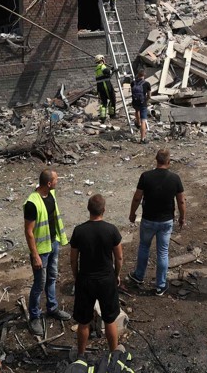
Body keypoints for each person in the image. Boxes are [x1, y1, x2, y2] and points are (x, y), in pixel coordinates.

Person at [70, 195, 122, 358]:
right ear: (104, 210)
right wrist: (116, 275)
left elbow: (73, 258)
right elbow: (119, 257)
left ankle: (81, 354)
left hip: (86, 279)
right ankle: (113, 354)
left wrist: (76, 276)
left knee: (84, 321)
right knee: (110, 319)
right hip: (106, 279)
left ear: (88, 209)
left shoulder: (79, 231)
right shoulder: (111, 230)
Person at [127, 148, 185, 295]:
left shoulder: (146, 176)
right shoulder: (175, 178)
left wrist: (132, 213)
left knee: (144, 247)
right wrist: (182, 217)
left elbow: (137, 197)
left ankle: (139, 276)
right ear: (169, 162)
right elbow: (181, 201)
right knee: (163, 252)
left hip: (148, 219)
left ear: (156, 160)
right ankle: (160, 285)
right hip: (166, 221)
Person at [23, 169, 70, 337]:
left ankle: (52, 308)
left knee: (52, 277)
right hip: (41, 251)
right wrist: (35, 255)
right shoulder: (32, 203)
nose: (58, 181)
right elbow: (29, 232)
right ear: (49, 183)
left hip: (53, 243)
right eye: (56, 179)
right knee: (39, 284)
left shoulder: (51, 194)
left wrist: (58, 240)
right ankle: (34, 317)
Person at [130, 69, 151, 143]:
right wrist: (146, 100)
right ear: (144, 75)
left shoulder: (133, 83)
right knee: (143, 121)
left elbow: (132, 92)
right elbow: (149, 95)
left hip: (135, 102)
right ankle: (143, 139)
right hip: (143, 103)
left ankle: (138, 123)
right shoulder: (147, 84)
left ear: (138, 75)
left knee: (136, 110)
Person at [94, 55, 115, 121]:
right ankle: (112, 115)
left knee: (104, 102)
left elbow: (107, 76)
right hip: (105, 85)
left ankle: (102, 117)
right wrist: (114, 70)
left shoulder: (97, 68)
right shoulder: (102, 66)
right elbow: (108, 72)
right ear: (102, 60)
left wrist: (111, 70)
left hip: (100, 87)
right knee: (112, 98)